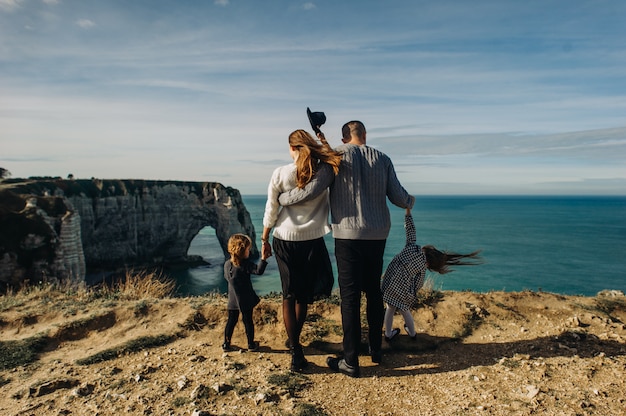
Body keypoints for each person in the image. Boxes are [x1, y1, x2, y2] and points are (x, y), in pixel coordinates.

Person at [279, 120, 414, 378]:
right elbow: (398, 196)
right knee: (374, 291)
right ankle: (376, 350)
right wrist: (410, 201)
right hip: (377, 235)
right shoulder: (383, 158)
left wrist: (284, 198)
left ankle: (351, 360)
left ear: (343, 139)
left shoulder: (336, 157)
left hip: (348, 235)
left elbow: (312, 189)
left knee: (350, 297)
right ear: (364, 134)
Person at [261, 129, 343, 372]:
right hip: (312, 240)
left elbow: (271, 209)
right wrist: (322, 137)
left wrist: (264, 238)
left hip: (284, 239)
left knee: (289, 294)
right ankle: (295, 343)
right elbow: (333, 156)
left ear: (293, 148)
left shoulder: (280, 173)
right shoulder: (323, 170)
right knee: (303, 295)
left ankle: (295, 349)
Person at [382, 208, 483, 342]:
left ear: (425, 249)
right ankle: (412, 333)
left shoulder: (411, 246)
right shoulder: (423, 268)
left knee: (389, 308)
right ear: (430, 264)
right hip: (402, 290)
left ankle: (388, 334)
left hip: (389, 282)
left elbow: (410, 230)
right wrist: (410, 294)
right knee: (405, 310)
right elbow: (418, 285)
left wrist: (408, 213)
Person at [222, 233, 270, 352]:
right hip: (245, 300)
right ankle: (251, 344)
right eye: (248, 249)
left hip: (232, 300)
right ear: (242, 250)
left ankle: (226, 344)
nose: (250, 251)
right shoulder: (245, 265)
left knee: (231, 321)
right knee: (248, 321)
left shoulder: (227, 264)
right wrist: (263, 258)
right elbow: (258, 271)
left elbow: (226, 277)